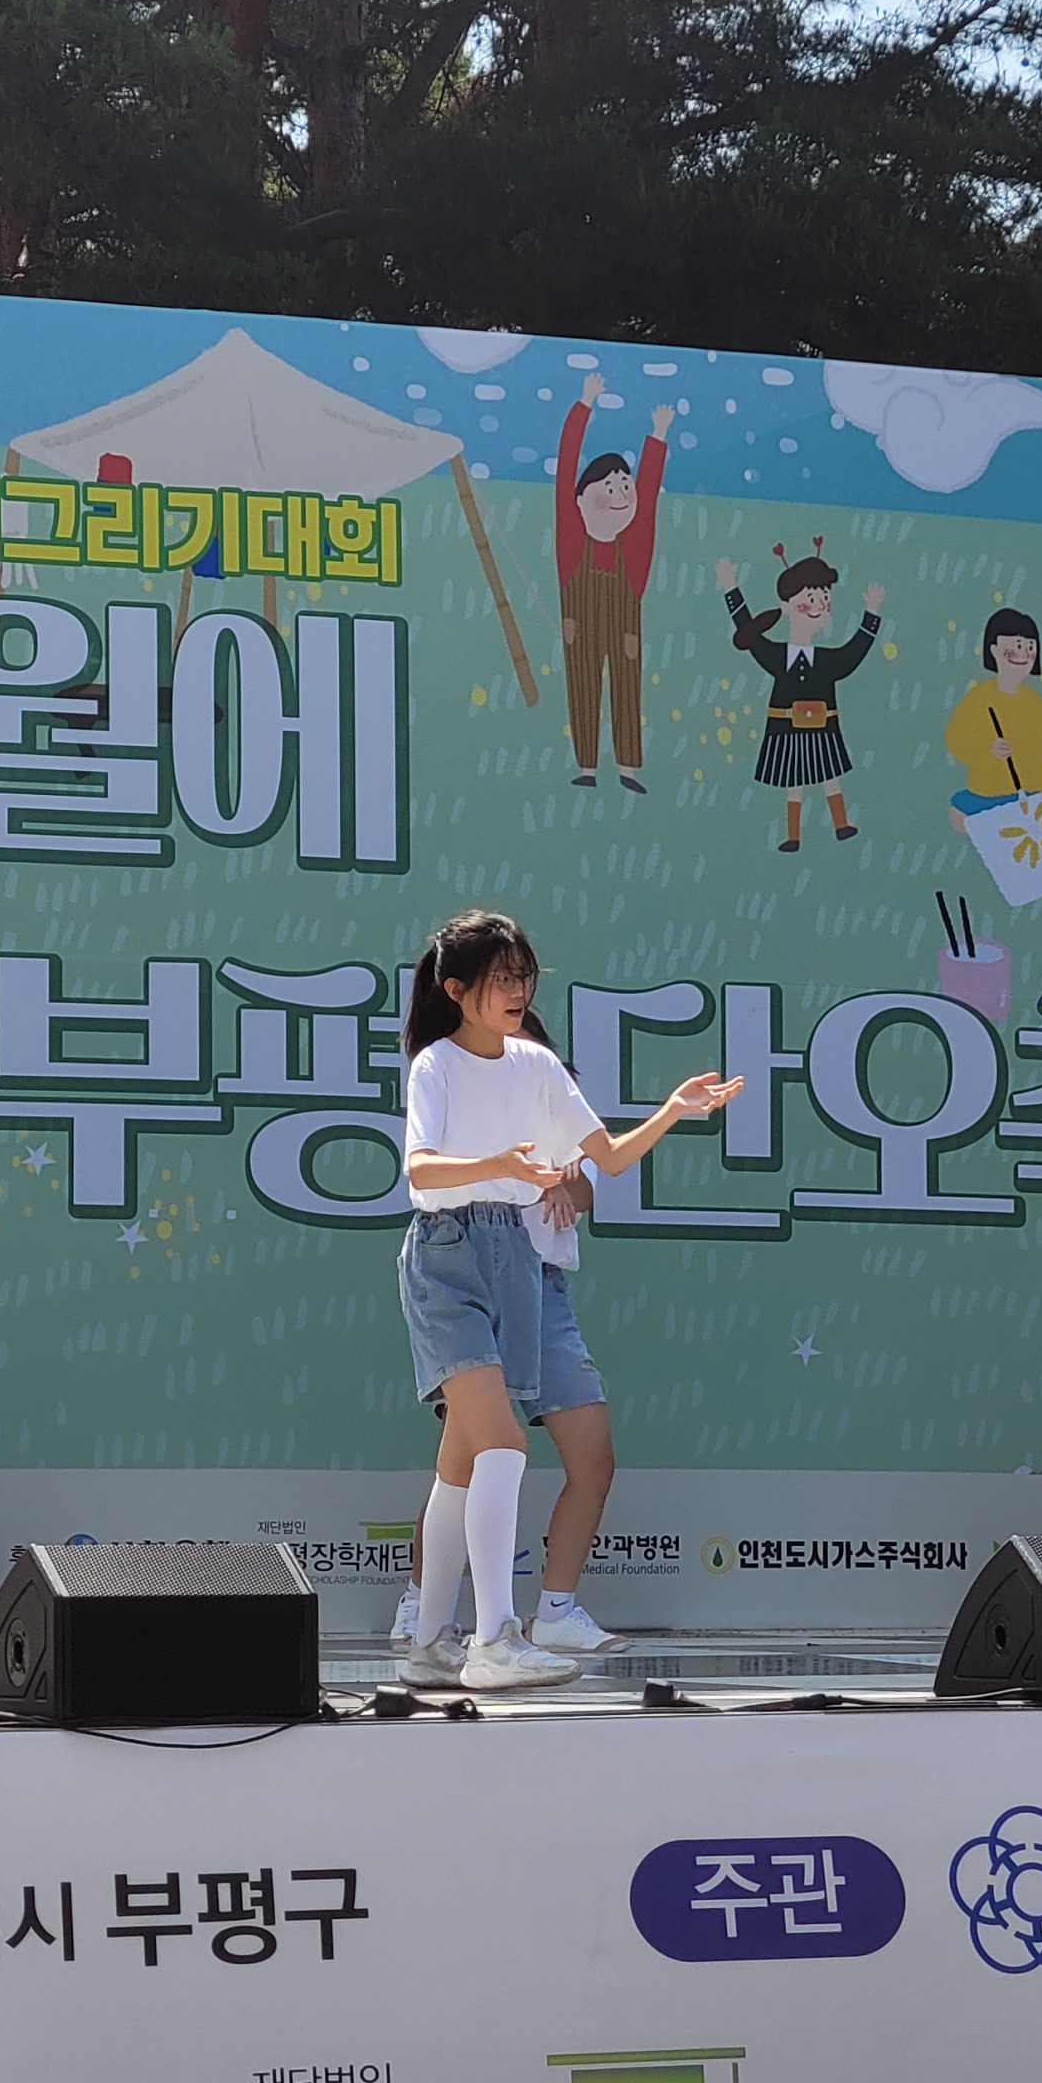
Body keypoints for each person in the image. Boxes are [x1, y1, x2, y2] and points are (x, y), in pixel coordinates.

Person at [396, 909, 739, 1692]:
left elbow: (607, 1159)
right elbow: (421, 1171)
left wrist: (673, 1110)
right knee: (502, 1447)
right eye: (500, 979)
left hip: (516, 1258)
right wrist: (497, 1164)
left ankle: (427, 1641)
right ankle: (492, 1639)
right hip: (447, 1255)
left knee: (461, 1466)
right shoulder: (436, 1065)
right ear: (457, 990)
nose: (517, 991)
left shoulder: (538, 1066)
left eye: (523, 977)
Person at [385, 1015, 629, 1661]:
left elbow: (586, 1185)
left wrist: (562, 1180)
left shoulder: (553, 1100)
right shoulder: (453, 1086)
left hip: (544, 1290)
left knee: (591, 1454)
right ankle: (429, 1609)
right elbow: (429, 1172)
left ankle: (555, 1611)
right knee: (474, 1451)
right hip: (474, 1279)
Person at [716, 541, 885, 850]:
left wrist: (871, 613)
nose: (820, 605)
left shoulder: (828, 661)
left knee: (830, 775)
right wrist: (730, 588)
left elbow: (853, 653)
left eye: (825, 598)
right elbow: (748, 631)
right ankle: (793, 835)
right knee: (793, 781)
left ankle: (842, 824)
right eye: (811, 598)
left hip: (823, 728)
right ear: (788, 606)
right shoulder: (776, 657)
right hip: (786, 728)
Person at [551, 388, 673, 793]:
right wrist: (584, 404)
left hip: (624, 632)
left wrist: (657, 435)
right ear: (581, 499)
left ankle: (628, 769)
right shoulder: (571, 539)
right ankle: (586, 766)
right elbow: (566, 463)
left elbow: (649, 493)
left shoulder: (635, 546)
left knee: (626, 690)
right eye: (609, 486)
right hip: (580, 628)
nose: (621, 493)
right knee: (582, 688)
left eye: (625, 485)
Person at [944, 607, 1042, 822]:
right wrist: (987, 749)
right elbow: (956, 739)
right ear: (994, 650)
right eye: (1017, 647)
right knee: (958, 816)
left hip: (1033, 790)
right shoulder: (979, 698)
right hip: (987, 791)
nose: (1024, 655)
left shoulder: (1034, 702)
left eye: (1030, 647)